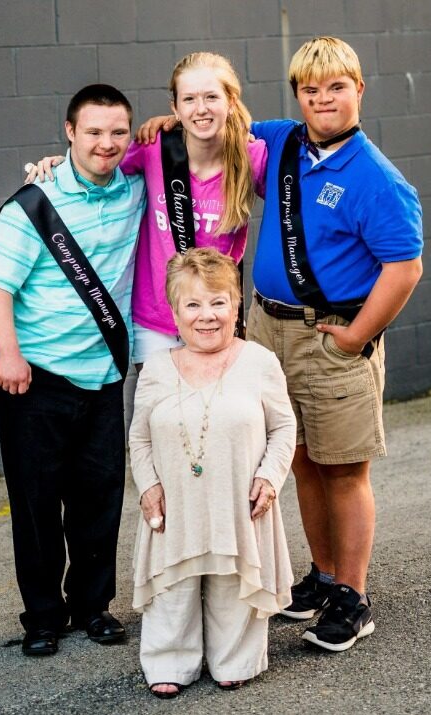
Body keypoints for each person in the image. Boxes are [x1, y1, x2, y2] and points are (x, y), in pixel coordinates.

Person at [138, 36, 424, 653]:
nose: (323, 100)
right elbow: (217, 126)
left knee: (344, 468)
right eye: (310, 90)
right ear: (298, 95)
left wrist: (356, 336)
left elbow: (405, 268)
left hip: (331, 336)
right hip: (269, 332)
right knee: (300, 459)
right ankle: (323, 578)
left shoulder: (376, 177)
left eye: (336, 88)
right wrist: (168, 122)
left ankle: (353, 597)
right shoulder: (285, 140)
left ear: (359, 90)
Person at [0, 84, 146, 656]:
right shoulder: (35, 201)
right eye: (93, 132)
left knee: (99, 500)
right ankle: (44, 617)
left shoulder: (138, 190)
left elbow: (182, 147)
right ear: (69, 133)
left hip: (102, 377)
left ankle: (94, 608)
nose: (107, 143)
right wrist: (11, 352)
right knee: (37, 503)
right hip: (35, 378)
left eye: (118, 131)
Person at [25, 52, 267, 367]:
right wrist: (61, 163)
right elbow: (97, 167)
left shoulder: (252, 157)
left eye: (211, 97)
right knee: (163, 414)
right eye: (189, 99)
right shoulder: (155, 147)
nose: (201, 109)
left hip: (216, 318)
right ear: (175, 108)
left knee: (213, 415)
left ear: (231, 101)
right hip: (156, 323)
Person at [129, 248, 295, 698]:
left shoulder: (259, 362)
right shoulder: (158, 368)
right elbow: (139, 438)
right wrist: (149, 486)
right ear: (175, 311)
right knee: (174, 586)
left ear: (237, 305)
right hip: (175, 503)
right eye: (194, 305)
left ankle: (234, 659)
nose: (208, 316)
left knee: (231, 583)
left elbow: (284, 427)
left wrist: (270, 477)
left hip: (237, 500)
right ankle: (170, 661)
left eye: (219, 302)